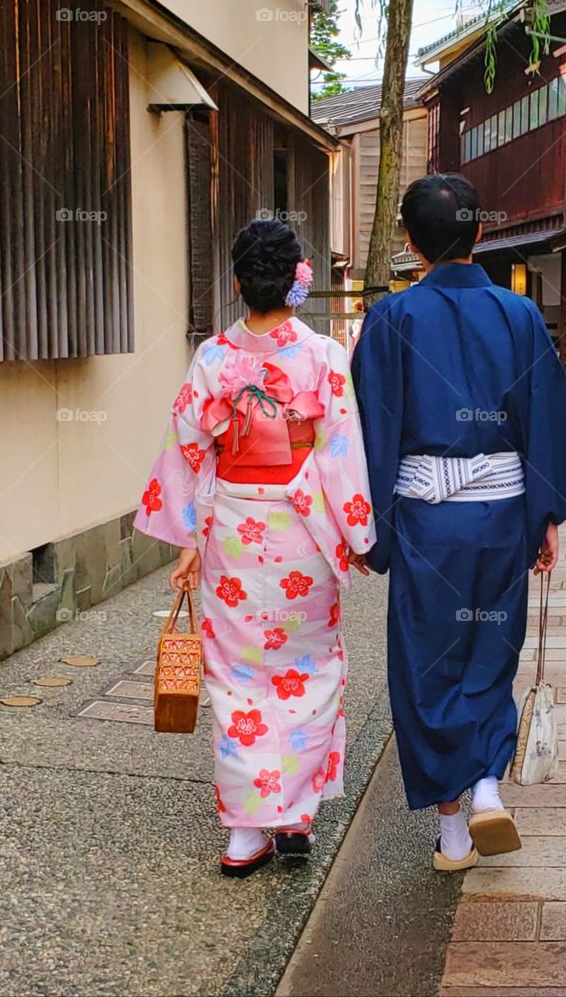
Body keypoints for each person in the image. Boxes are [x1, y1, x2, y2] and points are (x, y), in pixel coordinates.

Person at [351, 174, 566, 871]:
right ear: (482, 234)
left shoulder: (391, 319)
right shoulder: (518, 315)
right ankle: (489, 786)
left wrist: (365, 530)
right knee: (490, 653)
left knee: (427, 664)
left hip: (425, 522)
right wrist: (545, 514)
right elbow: (544, 422)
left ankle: (453, 833)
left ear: (410, 241)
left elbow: (371, 431)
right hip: (500, 515)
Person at [135, 219, 374, 877]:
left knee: (238, 679)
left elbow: (189, 448)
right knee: (309, 671)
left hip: (235, 531)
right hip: (303, 531)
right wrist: (358, 537)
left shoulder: (214, 358)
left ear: (237, 281)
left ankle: (247, 832)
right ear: (300, 277)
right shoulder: (323, 356)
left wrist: (187, 538)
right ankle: (293, 818)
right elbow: (341, 454)